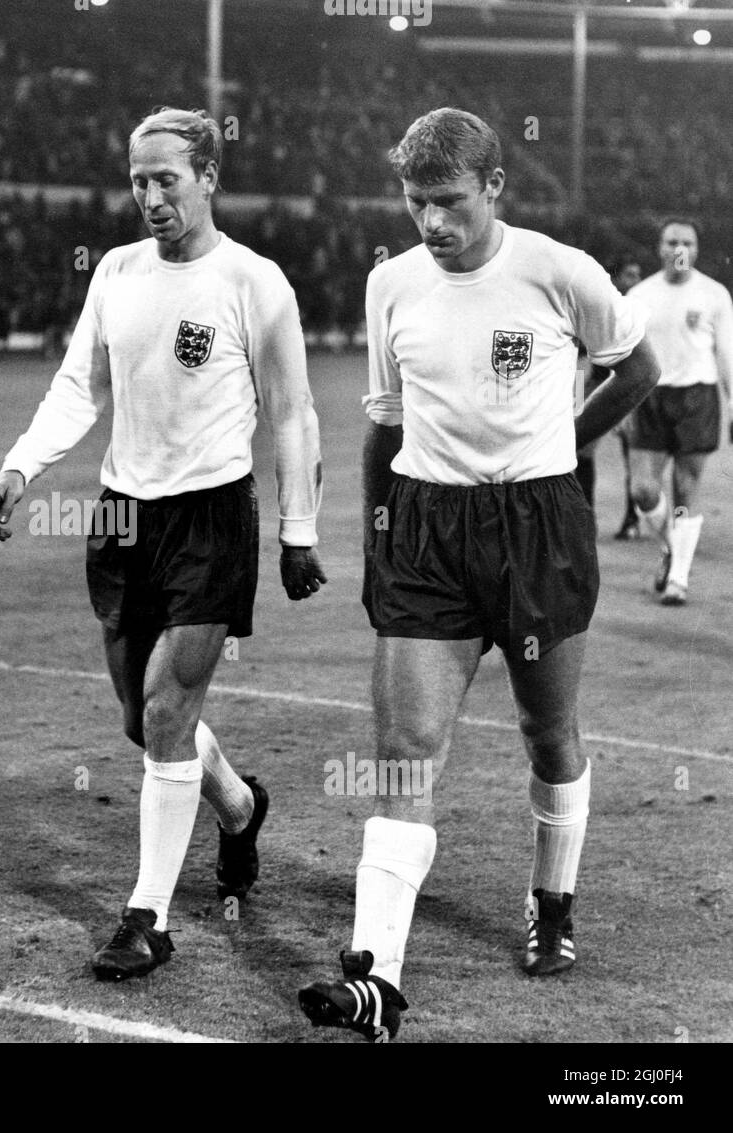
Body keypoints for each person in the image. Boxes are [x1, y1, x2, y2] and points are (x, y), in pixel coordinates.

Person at [298, 108, 659, 1041]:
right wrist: (379, 528)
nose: (431, 223)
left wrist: (563, 442)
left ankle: (554, 899)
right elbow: (384, 421)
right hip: (426, 528)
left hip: (537, 526)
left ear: (495, 187)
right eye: (416, 203)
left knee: (549, 730)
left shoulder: (558, 270)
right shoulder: (390, 284)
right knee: (405, 750)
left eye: (449, 202)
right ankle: (375, 977)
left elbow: (639, 367)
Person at [0, 107, 325, 981]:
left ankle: (148, 918)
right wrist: (22, 467)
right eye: (138, 180)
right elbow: (77, 385)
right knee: (144, 721)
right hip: (122, 519)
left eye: (166, 178)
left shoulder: (255, 283)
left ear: (208, 176)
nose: (150, 196)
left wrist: (297, 530)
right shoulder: (118, 274)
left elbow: (293, 411)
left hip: (211, 520)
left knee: (170, 713)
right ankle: (240, 807)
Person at [625, 219, 733, 605]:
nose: (679, 248)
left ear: (697, 249)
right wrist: (620, 404)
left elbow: (725, 352)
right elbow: (625, 357)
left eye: (687, 242)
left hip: (697, 399)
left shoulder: (714, 294)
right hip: (650, 398)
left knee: (686, 492)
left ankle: (679, 579)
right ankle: (672, 547)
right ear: (660, 247)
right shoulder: (639, 295)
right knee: (643, 490)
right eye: (672, 241)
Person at [575, 257, 644, 539]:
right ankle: (586, 517)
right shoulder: (598, 307)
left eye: (638, 274)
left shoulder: (640, 308)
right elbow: (579, 358)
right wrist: (578, 402)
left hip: (628, 390)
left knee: (634, 453)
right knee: (582, 451)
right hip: (598, 385)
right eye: (629, 274)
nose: (635, 281)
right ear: (614, 278)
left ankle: (632, 518)